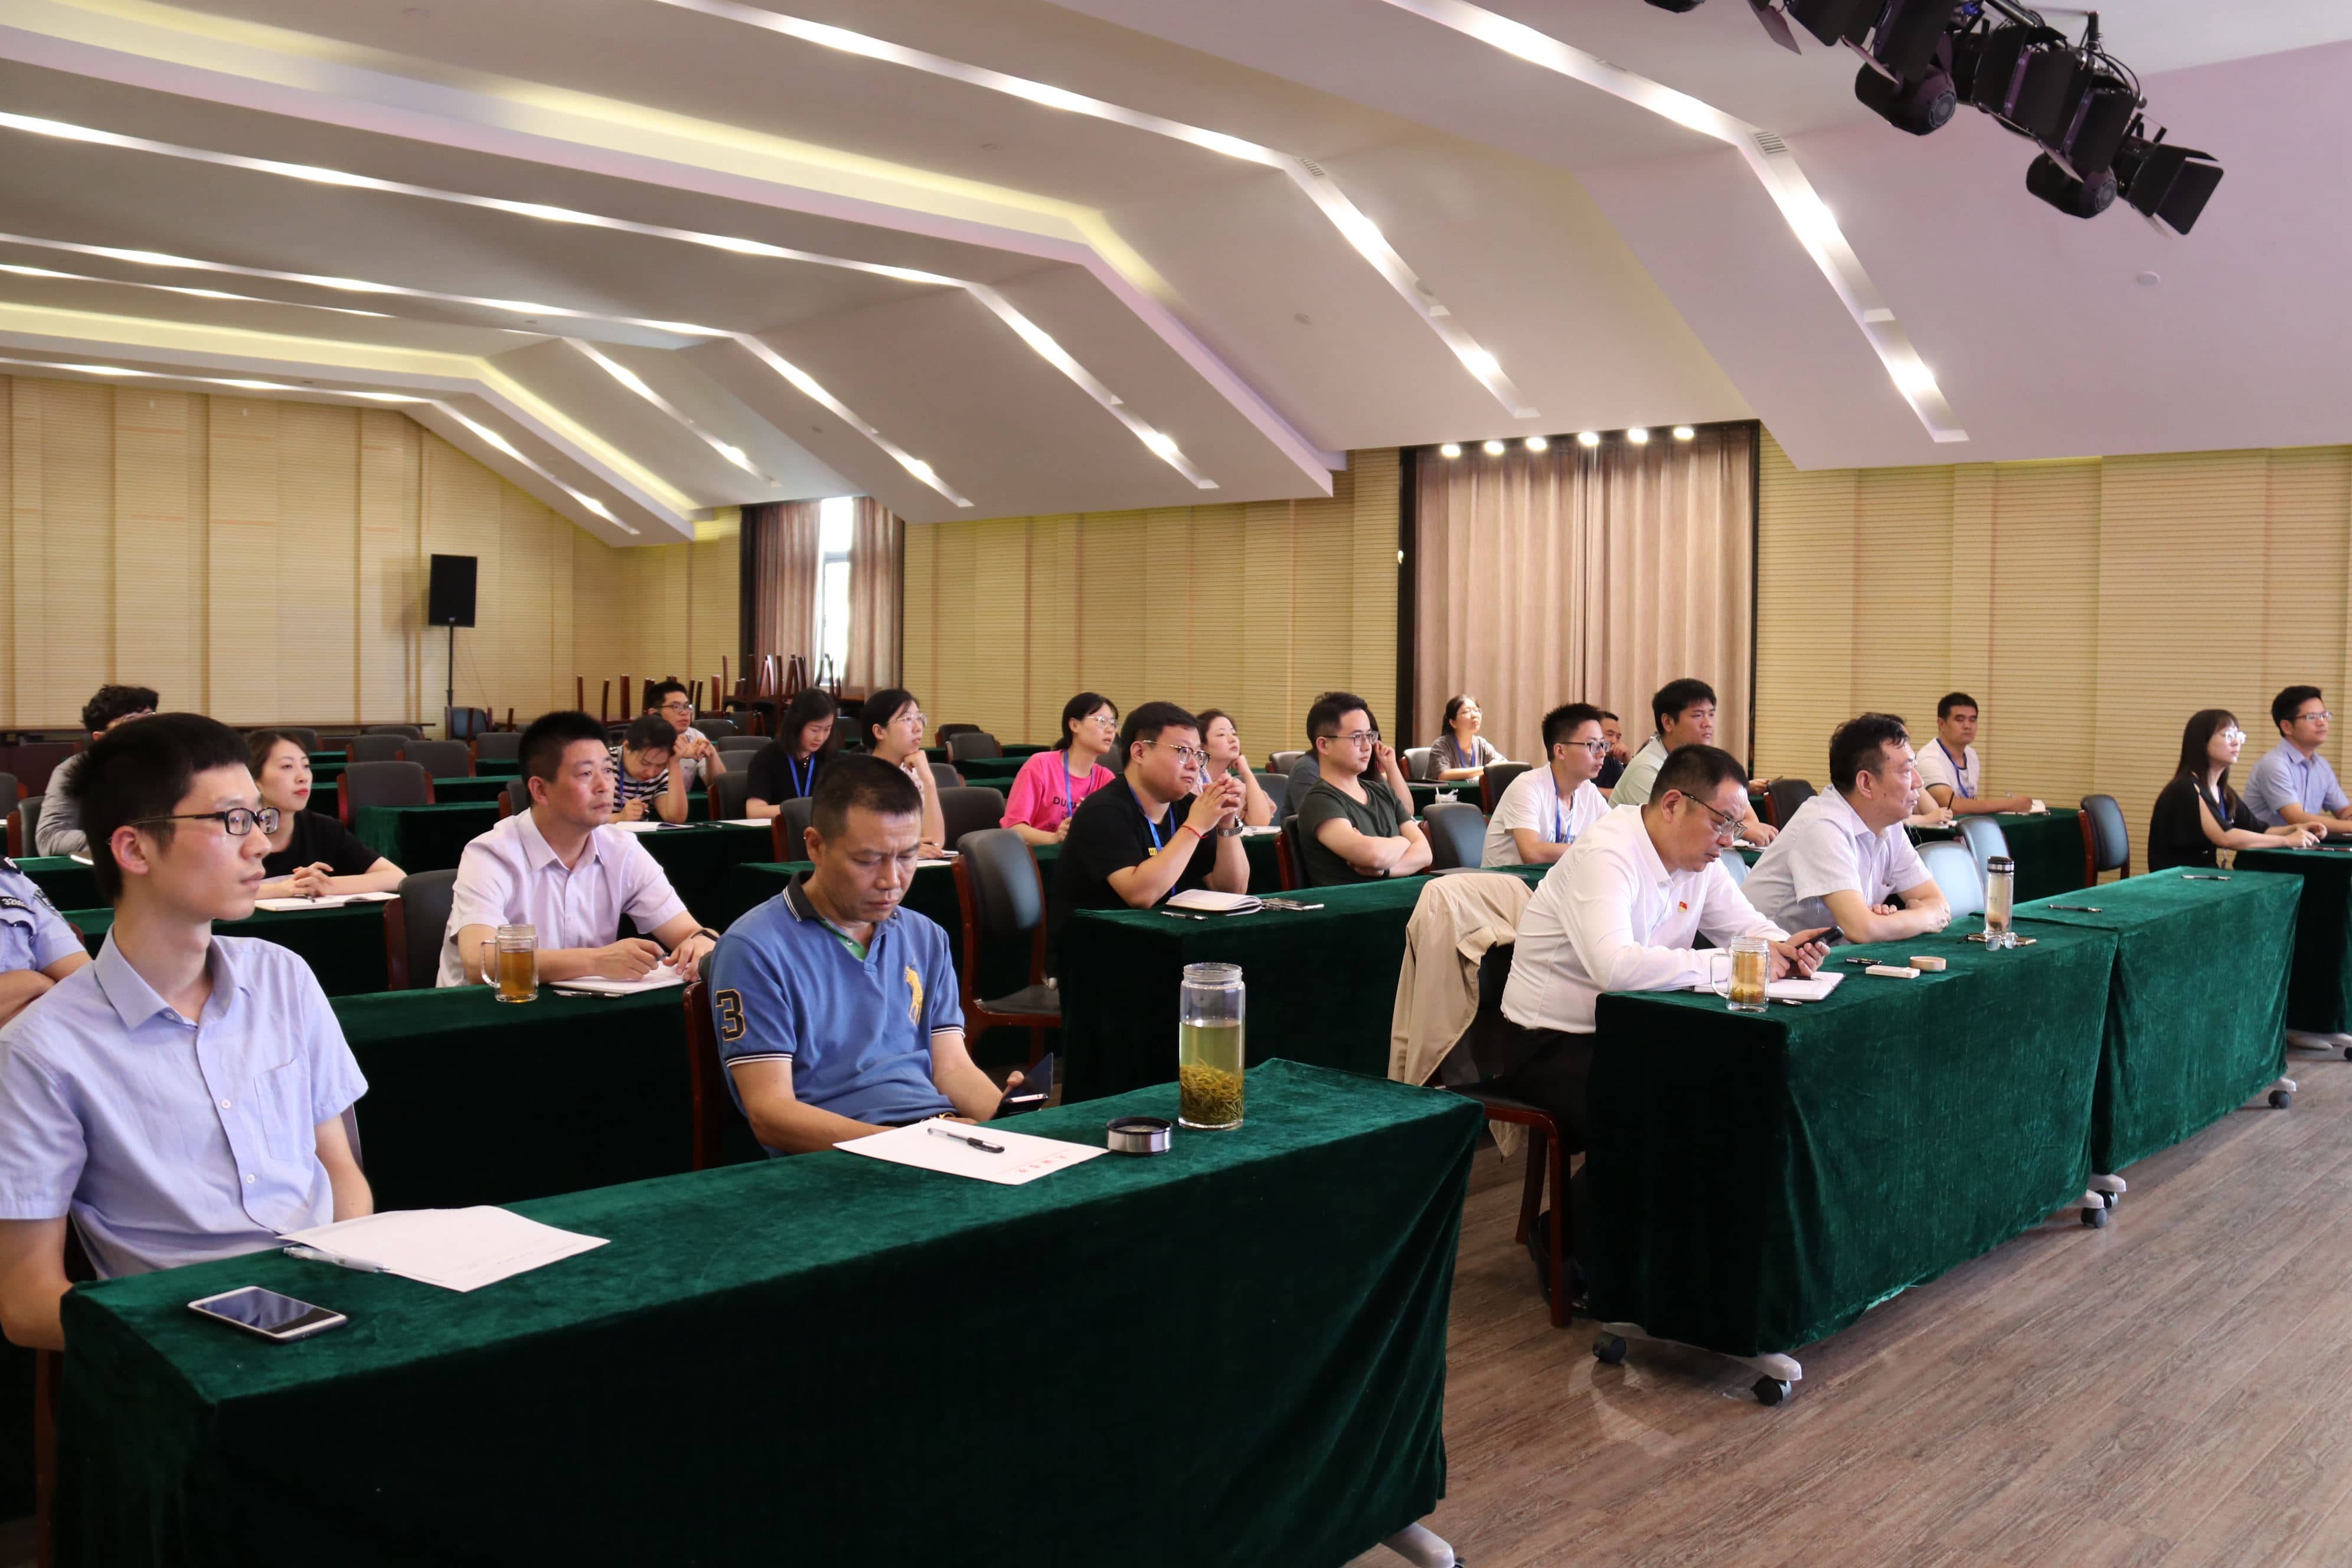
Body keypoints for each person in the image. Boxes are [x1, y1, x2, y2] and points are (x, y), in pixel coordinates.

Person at [0, 714, 371, 1349]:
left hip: (332, 1306)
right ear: (134, 849)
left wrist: (343, 1275)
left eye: (259, 817)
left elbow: (340, 1168)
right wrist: (205, 1331)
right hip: (189, 1351)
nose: (261, 844)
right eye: (232, 820)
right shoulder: (43, 1052)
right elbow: (28, 1303)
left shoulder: (283, 976)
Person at [1496, 744, 1828, 1288]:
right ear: (1673, 804)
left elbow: (1747, 928)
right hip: (1551, 1042)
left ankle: (1688, 1262)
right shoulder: (1607, 853)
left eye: (1736, 826)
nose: (1729, 841)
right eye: (1722, 824)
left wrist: (1788, 948)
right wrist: (1742, 962)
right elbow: (1615, 969)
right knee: (1669, 1109)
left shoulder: (1700, 860)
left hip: (1635, 1033)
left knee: (1733, 1093)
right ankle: (1561, 1237)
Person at [707, 756, 1022, 1155]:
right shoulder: (754, 948)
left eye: (907, 857)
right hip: (838, 1158)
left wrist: (1007, 1120)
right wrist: (908, 1144)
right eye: (868, 860)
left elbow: (953, 1068)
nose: (891, 880)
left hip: (933, 1138)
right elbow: (770, 1114)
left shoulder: (925, 936)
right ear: (815, 846)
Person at [440, 710, 719, 986]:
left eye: (607, 770)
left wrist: (701, 943)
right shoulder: (491, 854)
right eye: (586, 773)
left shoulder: (622, 849)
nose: (604, 786)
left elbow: (691, 932)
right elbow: (480, 962)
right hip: (488, 1011)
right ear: (540, 790)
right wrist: (596, 961)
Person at [1047, 701, 1249, 966]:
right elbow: (1141, 895)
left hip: (1165, 946)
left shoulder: (1187, 808)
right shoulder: (1103, 811)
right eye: (1182, 752)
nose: (1194, 765)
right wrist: (1195, 827)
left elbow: (1231, 890)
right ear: (1140, 752)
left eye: (1198, 754)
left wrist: (1227, 823)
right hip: (1101, 956)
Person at [1742, 714, 1953, 943]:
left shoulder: (1888, 825)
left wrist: (1890, 922)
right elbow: (1862, 929)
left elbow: (1938, 903)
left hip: (1819, 959)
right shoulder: (1822, 826)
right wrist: (1922, 918)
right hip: (1760, 959)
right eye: (1907, 771)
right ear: (1866, 783)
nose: (1919, 782)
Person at [2148, 710, 2319, 872]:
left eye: (2238, 736)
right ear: (2202, 742)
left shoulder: (2223, 791)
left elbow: (2258, 829)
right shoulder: (2186, 787)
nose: (2236, 742)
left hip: (2203, 876)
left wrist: (2297, 829)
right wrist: (2286, 841)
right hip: (2176, 881)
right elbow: (2225, 837)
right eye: (2228, 736)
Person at [1608, 678, 1776, 842]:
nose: (1708, 723)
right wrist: (1740, 831)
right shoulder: (1646, 768)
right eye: (1698, 715)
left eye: (1711, 714)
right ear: (1668, 722)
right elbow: (1670, 832)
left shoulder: (1708, 761)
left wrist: (1735, 828)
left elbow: (1749, 818)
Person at [246, 730, 404, 900]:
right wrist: (280, 889)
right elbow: (221, 892)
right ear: (253, 778)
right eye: (287, 767)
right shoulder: (234, 830)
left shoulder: (324, 828)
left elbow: (396, 877)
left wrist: (326, 885)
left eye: (306, 766)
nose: (303, 777)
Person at [1296, 692, 1430, 886]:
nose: (1368, 746)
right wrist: (1404, 841)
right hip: (1350, 903)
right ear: (1324, 745)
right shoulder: (1320, 801)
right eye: (1357, 737)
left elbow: (1425, 853)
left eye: (1369, 736)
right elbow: (1373, 856)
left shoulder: (1383, 792)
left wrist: (1386, 870)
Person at [1481, 703, 1611, 867]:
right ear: (1560, 751)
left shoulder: (1588, 792)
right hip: (1509, 880)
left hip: (1553, 881)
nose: (1602, 753)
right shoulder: (1527, 787)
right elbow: (1532, 853)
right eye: (1593, 745)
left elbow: (1617, 836)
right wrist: (1591, 850)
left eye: (1603, 745)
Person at [35, 684, 158, 856]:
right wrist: (124, 844)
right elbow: (50, 837)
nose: (147, 727)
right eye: (130, 720)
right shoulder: (75, 770)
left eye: (150, 717)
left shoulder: (176, 766)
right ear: (100, 738)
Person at [999, 693, 1119, 846]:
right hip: (1038, 857)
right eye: (1102, 721)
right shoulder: (1040, 765)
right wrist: (1055, 838)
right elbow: (1013, 828)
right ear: (1074, 725)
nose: (1110, 730)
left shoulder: (1106, 779)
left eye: (1113, 723)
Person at [2243, 687, 2352, 835]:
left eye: (2324, 715)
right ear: (2287, 727)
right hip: (2266, 848)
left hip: (2301, 846)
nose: (2322, 722)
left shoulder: (2321, 765)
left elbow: (2344, 811)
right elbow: (2297, 818)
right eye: (2312, 717)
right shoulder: (2274, 764)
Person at [1914, 694, 2036, 816]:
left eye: (1973, 720)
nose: (1968, 726)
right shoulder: (1929, 758)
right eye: (1960, 719)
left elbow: (1969, 803)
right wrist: (2010, 805)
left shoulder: (1971, 755)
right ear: (1941, 724)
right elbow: (1951, 807)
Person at [859, 688, 946, 855]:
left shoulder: (914, 773)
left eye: (919, 718)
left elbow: (935, 842)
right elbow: (858, 841)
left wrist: (928, 781)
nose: (918, 727)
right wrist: (903, 848)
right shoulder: (860, 779)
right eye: (907, 719)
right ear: (879, 732)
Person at [742, 688, 838, 821]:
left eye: (827, 730)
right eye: (815, 730)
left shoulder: (831, 759)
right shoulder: (767, 759)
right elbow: (754, 812)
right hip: (778, 831)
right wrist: (802, 809)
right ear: (797, 725)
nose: (820, 738)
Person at [1197, 709, 1277, 827]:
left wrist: (1247, 773)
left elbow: (1260, 822)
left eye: (1234, 734)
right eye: (1221, 735)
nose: (1233, 739)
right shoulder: (1192, 783)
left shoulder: (1235, 786)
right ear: (1201, 745)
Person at [610, 715, 691, 826]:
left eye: (660, 765)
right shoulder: (602, 764)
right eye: (645, 763)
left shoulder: (661, 774)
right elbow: (584, 818)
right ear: (627, 746)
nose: (651, 773)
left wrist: (675, 764)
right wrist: (619, 817)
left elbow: (676, 818)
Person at [645, 680, 725, 785]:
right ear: (654, 714)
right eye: (676, 707)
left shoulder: (695, 736)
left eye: (687, 707)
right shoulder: (642, 739)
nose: (685, 712)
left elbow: (718, 786)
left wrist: (711, 754)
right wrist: (674, 754)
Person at [1429, 694, 1506, 782]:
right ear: (1453, 723)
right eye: (1466, 712)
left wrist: (1493, 767)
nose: (1474, 715)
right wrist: (1485, 769)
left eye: (1476, 710)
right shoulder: (1442, 745)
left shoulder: (1481, 744)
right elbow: (1443, 775)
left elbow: (1502, 764)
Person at [1596, 710, 1629, 790]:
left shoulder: (1612, 760)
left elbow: (1629, 792)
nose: (1615, 741)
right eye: (1610, 734)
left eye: (1618, 737)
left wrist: (1628, 762)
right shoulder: (1584, 757)